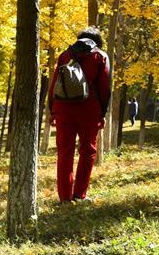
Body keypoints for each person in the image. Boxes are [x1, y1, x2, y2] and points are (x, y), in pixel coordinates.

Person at [47, 27, 111, 203]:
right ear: (98, 42)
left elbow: (54, 85)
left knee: (65, 153)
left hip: (63, 110)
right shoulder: (101, 56)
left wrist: (53, 111)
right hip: (89, 111)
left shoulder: (65, 55)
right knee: (88, 151)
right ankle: (79, 194)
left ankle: (65, 198)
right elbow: (105, 89)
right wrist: (102, 113)